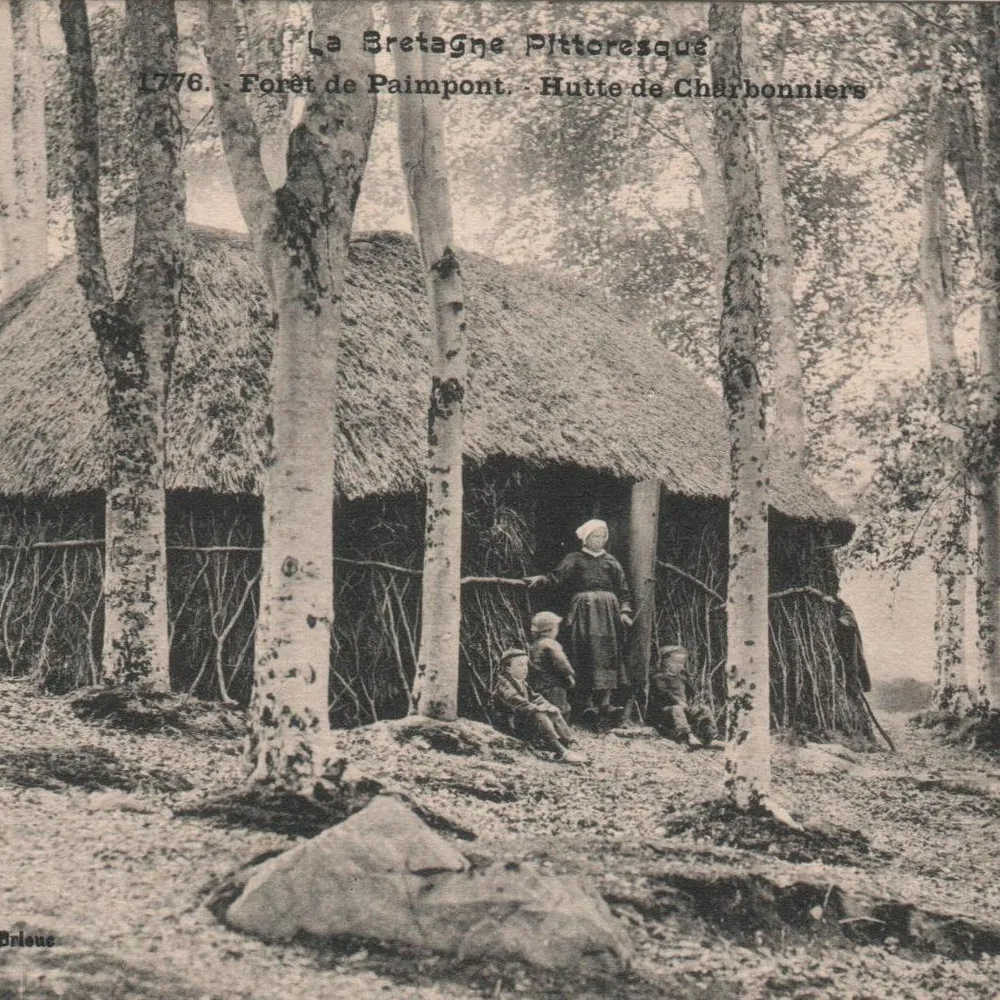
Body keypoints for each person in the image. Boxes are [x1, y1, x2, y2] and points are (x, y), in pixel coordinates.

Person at [525, 519, 633, 725]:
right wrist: (541, 579)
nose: (598, 541)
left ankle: (605, 702)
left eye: (602, 537)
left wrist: (625, 611)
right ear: (586, 538)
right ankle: (586, 704)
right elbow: (556, 577)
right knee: (585, 651)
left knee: (607, 653)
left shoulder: (611, 561)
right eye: (594, 537)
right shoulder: (573, 559)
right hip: (584, 610)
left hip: (608, 613)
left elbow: (624, 589)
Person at [493, 648, 585, 763]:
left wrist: (547, 705)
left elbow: (535, 697)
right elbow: (515, 700)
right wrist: (536, 708)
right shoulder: (504, 684)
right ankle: (560, 751)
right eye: (520, 665)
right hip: (510, 723)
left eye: (526, 665)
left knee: (553, 711)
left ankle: (568, 742)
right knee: (538, 714)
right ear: (508, 669)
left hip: (522, 717)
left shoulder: (522, 682)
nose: (525, 669)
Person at [648, 645, 725, 749]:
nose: (680, 666)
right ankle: (687, 735)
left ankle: (710, 737)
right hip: (665, 711)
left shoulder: (681, 678)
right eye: (676, 662)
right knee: (677, 709)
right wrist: (677, 701)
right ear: (665, 662)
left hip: (684, 710)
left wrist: (694, 702)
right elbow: (662, 692)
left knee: (704, 709)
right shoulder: (659, 677)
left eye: (682, 663)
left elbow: (691, 693)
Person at [528, 610, 575, 717]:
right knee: (560, 710)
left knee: (545, 709)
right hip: (554, 685)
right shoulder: (551, 644)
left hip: (539, 684)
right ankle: (561, 732)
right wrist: (570, 674)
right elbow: (562, 663)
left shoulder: (535, 645)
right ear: (550, 629)